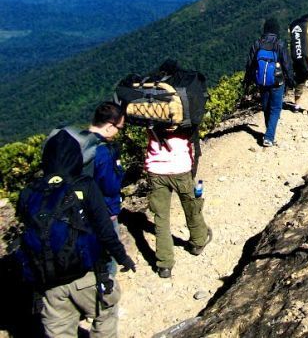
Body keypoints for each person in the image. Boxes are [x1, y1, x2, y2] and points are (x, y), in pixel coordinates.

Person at [16, 129, 136, 338]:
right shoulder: (84, 185)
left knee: (60, 331)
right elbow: (105, 230)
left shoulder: (29, 192)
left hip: (49, 282)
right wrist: (122, 257)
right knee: (105, 314)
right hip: (87, 274)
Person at [145, 125, 212, 278]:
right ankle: (197, 242)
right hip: (181, 167)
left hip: (155, 169)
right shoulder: (182, 107)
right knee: (191, 207)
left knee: (161, 219)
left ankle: (164, 265)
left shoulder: (148, 106)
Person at [242, 17, 296, 147]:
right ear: (276, 30)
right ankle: (269, 136)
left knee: (266, 107)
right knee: (276, 108)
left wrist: (247, 81)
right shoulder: (280, 44)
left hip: (262, 82)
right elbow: (287, 64)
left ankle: (269, 132)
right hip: (278, 81)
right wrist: (291, 81)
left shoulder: (257, 43)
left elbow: (250, 65)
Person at [86, 102, 126, 274]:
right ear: (110, 126)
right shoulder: (103, 151)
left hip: (77, 209)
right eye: (119, 127)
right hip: (102, 209)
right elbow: (109, 186)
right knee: (108, 251)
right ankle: (107, 287)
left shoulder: (78, 141)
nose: (118, 132)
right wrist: (113, 211)